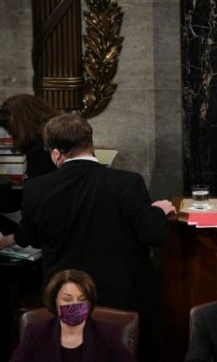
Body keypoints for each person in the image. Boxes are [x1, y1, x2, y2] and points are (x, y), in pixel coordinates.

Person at [4, 113, 176, 360]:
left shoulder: (36, 189)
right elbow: (153, 234)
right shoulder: (127, 183)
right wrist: (157, 211)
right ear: (90, 145)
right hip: (122, 300)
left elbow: (31, 236)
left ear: (56, 153)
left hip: (63, 297)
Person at [11, 269, 133, 361]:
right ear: (55, 301)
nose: (75, 305)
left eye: (82, 299)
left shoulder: (108, 334)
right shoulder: (36, 332)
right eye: (67, 299)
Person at [0, 94, 60, 236]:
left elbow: (31, 196)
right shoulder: (54, 139)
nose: (9, 132)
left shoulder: (40, 150)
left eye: (9, 125)